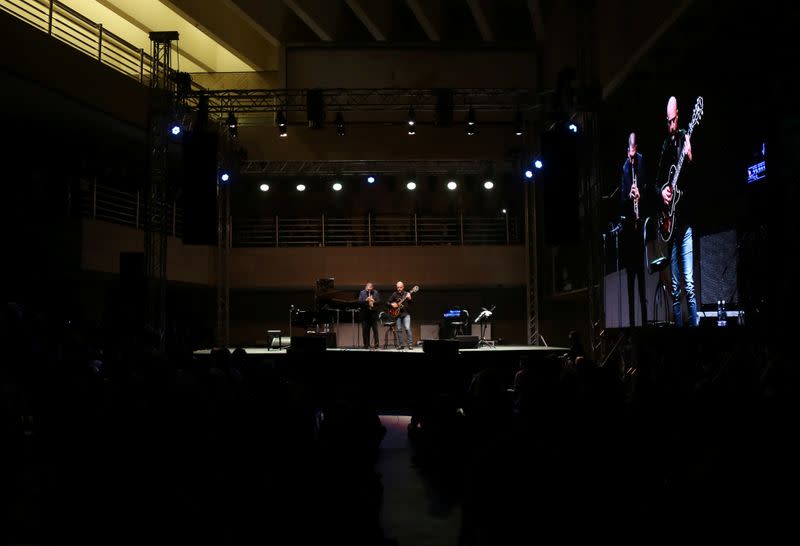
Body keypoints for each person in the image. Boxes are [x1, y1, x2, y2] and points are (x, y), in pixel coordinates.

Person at [656, 96, 697, 327]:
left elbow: (691, 168)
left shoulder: (684, 137)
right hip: (670, 226)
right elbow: (657, 182)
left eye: (673, 121)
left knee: (689, 284)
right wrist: (662, 192)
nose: (671, 125)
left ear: (678, 115)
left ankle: (695, 332)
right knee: (674, 287)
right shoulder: (665, 145)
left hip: (685, 225)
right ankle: (679, 334)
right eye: (667, 121)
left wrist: (689, 154)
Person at [620, 132, 647, 326]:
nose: (631, 155)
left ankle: (644, 320)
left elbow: (647, 186)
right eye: (629, 150)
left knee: (641, 276)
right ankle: (631, 323)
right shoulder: (624, 167)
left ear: (636, 148)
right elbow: (622, 198)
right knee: (630, 275)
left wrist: (641, 193)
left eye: (633, 150)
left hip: (641, 224)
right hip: (630, 226)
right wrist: (630, 196)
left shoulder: (641, 161)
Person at [389, 281, 414, 350]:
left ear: (403, 287)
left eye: (400, 287)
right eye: (398, 287)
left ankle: (410, 345)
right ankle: (401, 345)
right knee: (399, 330)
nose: (399, 288)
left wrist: (410, 298)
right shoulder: (394, 294)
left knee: (407, 328)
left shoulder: (407, 294)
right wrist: (392, 304)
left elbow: (411, 303)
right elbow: (388, 302)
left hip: (406, 314)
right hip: (397, 314)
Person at [358, 282, 381, 349]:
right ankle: (366, 345)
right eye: (368, 290)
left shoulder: (376, 293)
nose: (369, 291)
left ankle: (376, 345)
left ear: (372, 288)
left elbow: (379, 302)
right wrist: (366, 300)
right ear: (366, 288)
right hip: (365, 315)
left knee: (375, 331)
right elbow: (359, 302)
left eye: (371, 289)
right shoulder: (362, 293)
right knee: (365, 331)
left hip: (373, 315)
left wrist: (374, 301)